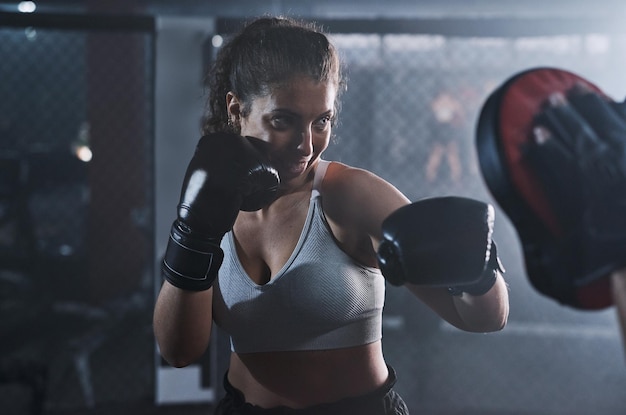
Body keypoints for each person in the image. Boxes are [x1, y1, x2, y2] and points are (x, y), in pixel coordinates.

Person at [153, 16, 509, 415]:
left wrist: (479, 270)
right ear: (236, 108)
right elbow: (178, 350)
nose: (306, 145)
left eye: (321, 121)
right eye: (283, 120)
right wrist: (193, 235)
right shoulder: (214, 199)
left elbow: (483, 318)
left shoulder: (351, 196)